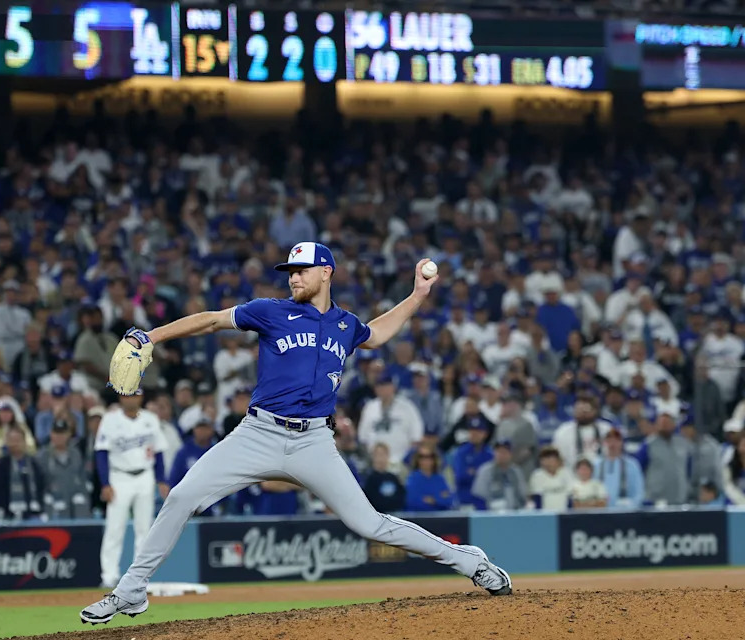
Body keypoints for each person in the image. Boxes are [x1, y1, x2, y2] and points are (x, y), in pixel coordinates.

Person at [82, 246, 511, 625]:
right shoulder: (271, 310)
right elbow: (213, 321)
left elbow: (378, 334)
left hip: (314, 444)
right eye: (290, 270)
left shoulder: (345, 325)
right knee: (180, 496)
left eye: (302, 269)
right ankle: (131, 591)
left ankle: (469, 560)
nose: (293, 276)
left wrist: (417, 296)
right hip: (257, 433)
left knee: (370, 524)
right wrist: (150, 335)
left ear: (327, 272)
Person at [94, 391, 170, 589]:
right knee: (114, 528)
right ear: (121, 398)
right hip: (119, 477)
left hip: (145, 476)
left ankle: (139, 578)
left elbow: (159, 450)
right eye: (127, 395)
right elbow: (101, 453)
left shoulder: (151, 419)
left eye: (135, 395)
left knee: (144, 529)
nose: (131, 399)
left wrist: (161, 480)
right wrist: (105, 483)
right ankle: (109, 575)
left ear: (141, 398)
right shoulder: (110, 420)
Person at [36, 419, 89, 519]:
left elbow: (82, 479)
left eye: (62, 433)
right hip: (51, 503)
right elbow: (39, 482)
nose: (59, 437)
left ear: (68, 434)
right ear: (51, 434)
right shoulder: (43, 456)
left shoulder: (76, 454)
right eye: (56, 433)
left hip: (74, 501)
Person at [0, 426, 46, 520]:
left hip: (34, 513)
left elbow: (41, 486)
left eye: (17, 440)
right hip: (9, 515)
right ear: (7, 442)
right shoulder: (1, 466)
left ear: (24, 441)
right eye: (11, 440)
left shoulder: (34, 464)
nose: (15, 443)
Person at [593, 428, 645, 509]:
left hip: (625, 514)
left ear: (621, 443)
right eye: (609, 440)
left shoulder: (632, 465)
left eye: (616, 440)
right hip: (600, 514)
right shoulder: (596, 465)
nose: (612, 444)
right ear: (604, 443)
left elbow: (639, 492)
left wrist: (631, 508)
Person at [470, 440, 529, 511]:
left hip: (514, 514)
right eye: (498, 452)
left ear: (510, 454)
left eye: (504, 452)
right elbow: (479, 497)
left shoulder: (516, 471)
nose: (501, 455)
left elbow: (523, 496)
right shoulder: (485, 471)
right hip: (491, 514)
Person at [451, 422, 494, 509]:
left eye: (478, 432)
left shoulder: (489, 453)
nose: (474, 434)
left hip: (484, 500)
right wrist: (479, 473)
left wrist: (474, 472)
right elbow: (460, 476)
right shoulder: (461, 452)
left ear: (485, 434)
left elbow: (490, 477)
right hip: (464, 499)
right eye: (472, 431)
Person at [404, 444, 455, 512]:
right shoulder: (412, 479)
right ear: (417, 459)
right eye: (422, 457)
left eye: (429, 457)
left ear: (434, 459)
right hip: (418, 518)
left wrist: (433, 500)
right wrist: (439, 499)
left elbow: (449, 500)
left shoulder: (440, 479)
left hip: (438, 519)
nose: (426, 460)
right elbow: (412, 502)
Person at [362, 443, 405, 513]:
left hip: (394, 516)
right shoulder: (368, 479)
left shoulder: (393, 478)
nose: (381, 458)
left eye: (383, 454)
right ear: (373, 457)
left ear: (388, 456)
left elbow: (400, 498)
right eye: (378, 455)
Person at [528, 446, 572, 512]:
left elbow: (570, 496)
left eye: (551, 458)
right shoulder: (537, 476)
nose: (548, 461)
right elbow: (537, 499)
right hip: (546, 515)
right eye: (545, 458)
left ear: (558, 460)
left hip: (564, 514)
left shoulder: (566, 473)